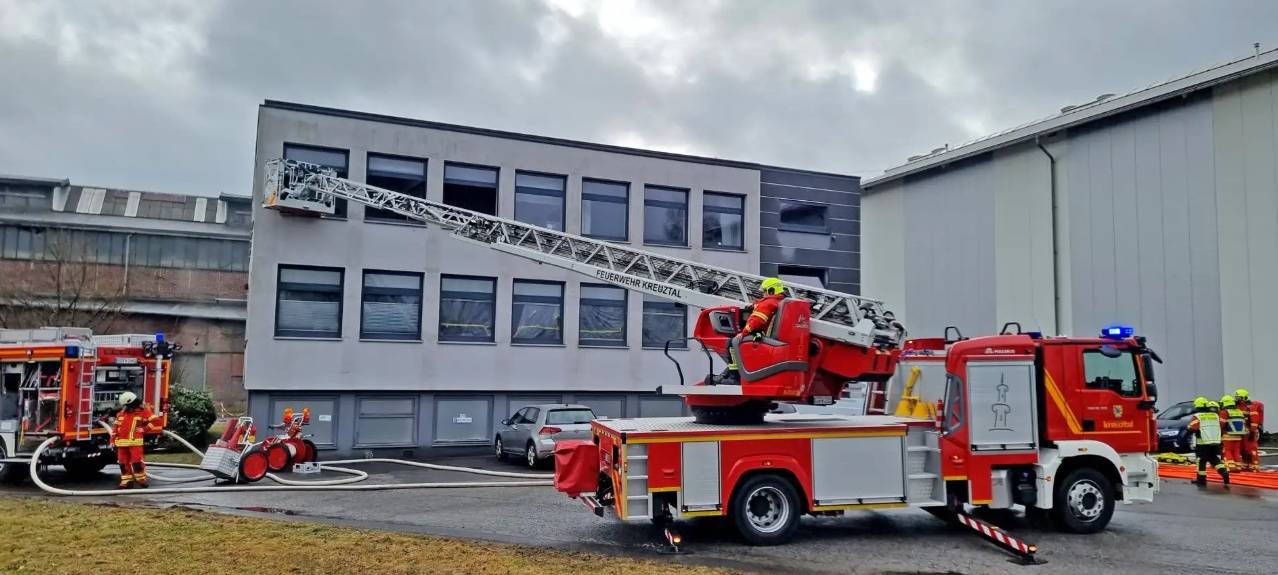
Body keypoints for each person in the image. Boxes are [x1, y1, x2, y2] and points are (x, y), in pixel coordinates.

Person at [718, 277, 788, 384]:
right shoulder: (777, 301)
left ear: (771, 291)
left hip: (761, 335)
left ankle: (734, 377)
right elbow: (764, 305)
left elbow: (757, 321)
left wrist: (744, 333)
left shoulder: (768, 303)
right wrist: (755, 305)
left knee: (731, 343)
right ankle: (728, 374)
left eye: (764, 291)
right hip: (767, 335)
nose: (763, 294)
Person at [111, 391, 162, 489]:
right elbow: (115, 428)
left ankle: (141, 480)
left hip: (135, 443)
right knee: (122, 463)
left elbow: (156, 420)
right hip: (121, 443)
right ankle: (126, 481)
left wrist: (144, 429)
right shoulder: (121, 414)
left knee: (137, 462)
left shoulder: (143, 412)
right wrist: (112, 440)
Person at [1187, 397, 1229, 486]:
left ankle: (1201, 480)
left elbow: (1192, 427)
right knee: (1214, 459)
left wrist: (1189, 429)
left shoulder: (1198, 416)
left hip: (1202, 443)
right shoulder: (1215, 416)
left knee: (1201, 461)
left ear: (1197, 406)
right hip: (1216, 443)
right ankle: (1224, 472)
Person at [1236, 388, 1261, 471]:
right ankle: (1245, 464)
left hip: (1249, 432)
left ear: (1244, 398)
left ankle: (1254, 465)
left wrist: (1252, 431)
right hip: (1240, 432)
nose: (1237, 400)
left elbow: (1254, 421)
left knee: (1251, 449)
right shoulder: (1236, 407)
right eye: (1236, 398)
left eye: (1239, 398)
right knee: (1242, 449)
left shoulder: (1251, 407)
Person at [1220, 395, 1247, 471]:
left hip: (1228, 435)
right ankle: (1238, 467)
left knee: (1227, 451)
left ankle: (1231, 467)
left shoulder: (1224, 412)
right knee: (1236, 451)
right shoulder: (1239, 411)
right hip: (1238, 436)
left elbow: (1221, 424)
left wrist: (1219, 433)